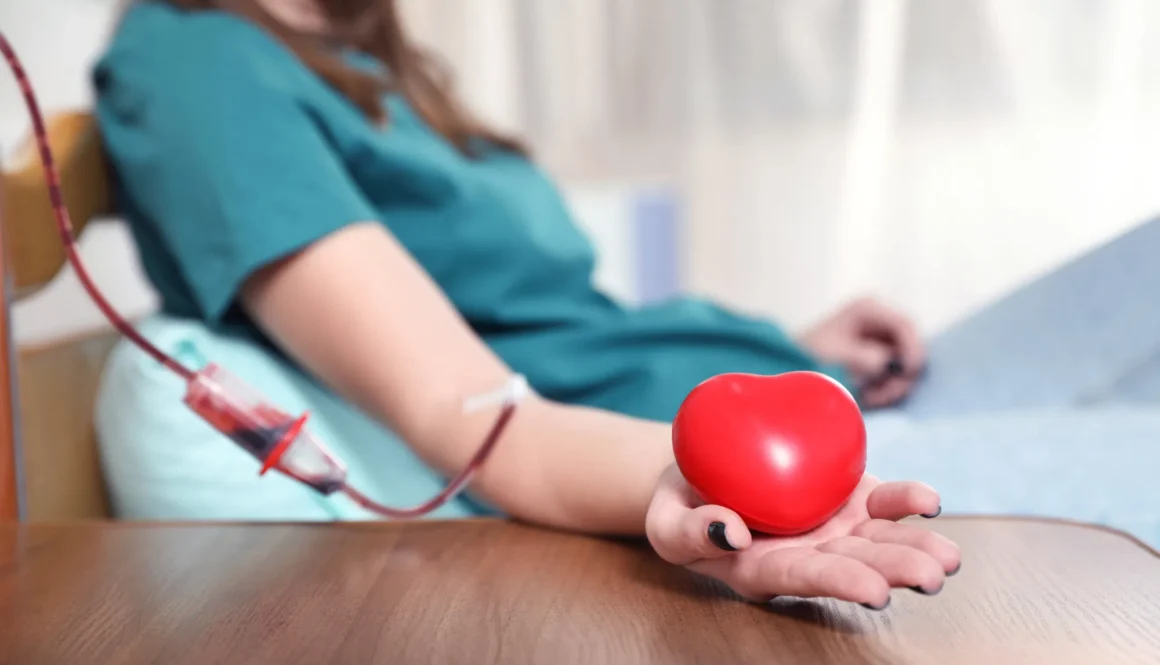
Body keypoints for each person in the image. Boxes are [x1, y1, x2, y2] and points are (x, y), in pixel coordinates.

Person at [87, 0, 1158, 607]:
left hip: (793, 392)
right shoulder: (195, 68)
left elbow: (557, 312)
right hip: (808, 458)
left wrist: (778, 343)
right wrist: (677, 476)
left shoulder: (361, 55)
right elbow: (475, 415)